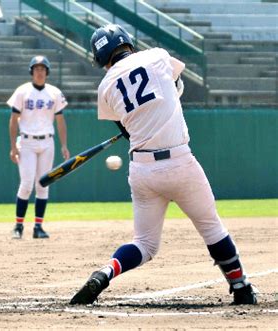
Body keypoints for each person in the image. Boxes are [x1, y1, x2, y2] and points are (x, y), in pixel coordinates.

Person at [69, 24, 257, 306]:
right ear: (126, 43)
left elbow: (129, 129)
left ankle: (106, 272)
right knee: (212, 229)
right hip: (180, 163)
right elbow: (177, 84)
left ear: (102, 57)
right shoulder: (156, 55)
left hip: (143, 171)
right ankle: (240, 287)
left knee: (144, 244)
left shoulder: (106, 85)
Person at [7, 55, 70, 239]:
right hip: (26, 141)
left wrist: (64, 145)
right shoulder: (22, 91)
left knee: (43, 185)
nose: (40, 72)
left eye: (43, 69)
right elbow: (12, 121)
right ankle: (18, 227)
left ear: (47, 72)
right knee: (26, 184)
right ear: (31, 72)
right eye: (36, 69)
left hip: (47, 142)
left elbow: (60, 121)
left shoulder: (55, 93)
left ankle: (38, 227)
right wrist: (13, 146)